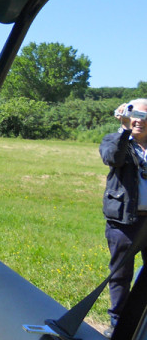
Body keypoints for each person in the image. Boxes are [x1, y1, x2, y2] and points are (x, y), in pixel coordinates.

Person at [100, 98, 147, 338]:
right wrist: (124, 130)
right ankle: (117, 324)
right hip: (123, 222)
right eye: (134, 113)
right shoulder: (114, 140)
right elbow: (113, 158)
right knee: (120, 274)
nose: (139, 119)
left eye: (144, 115)